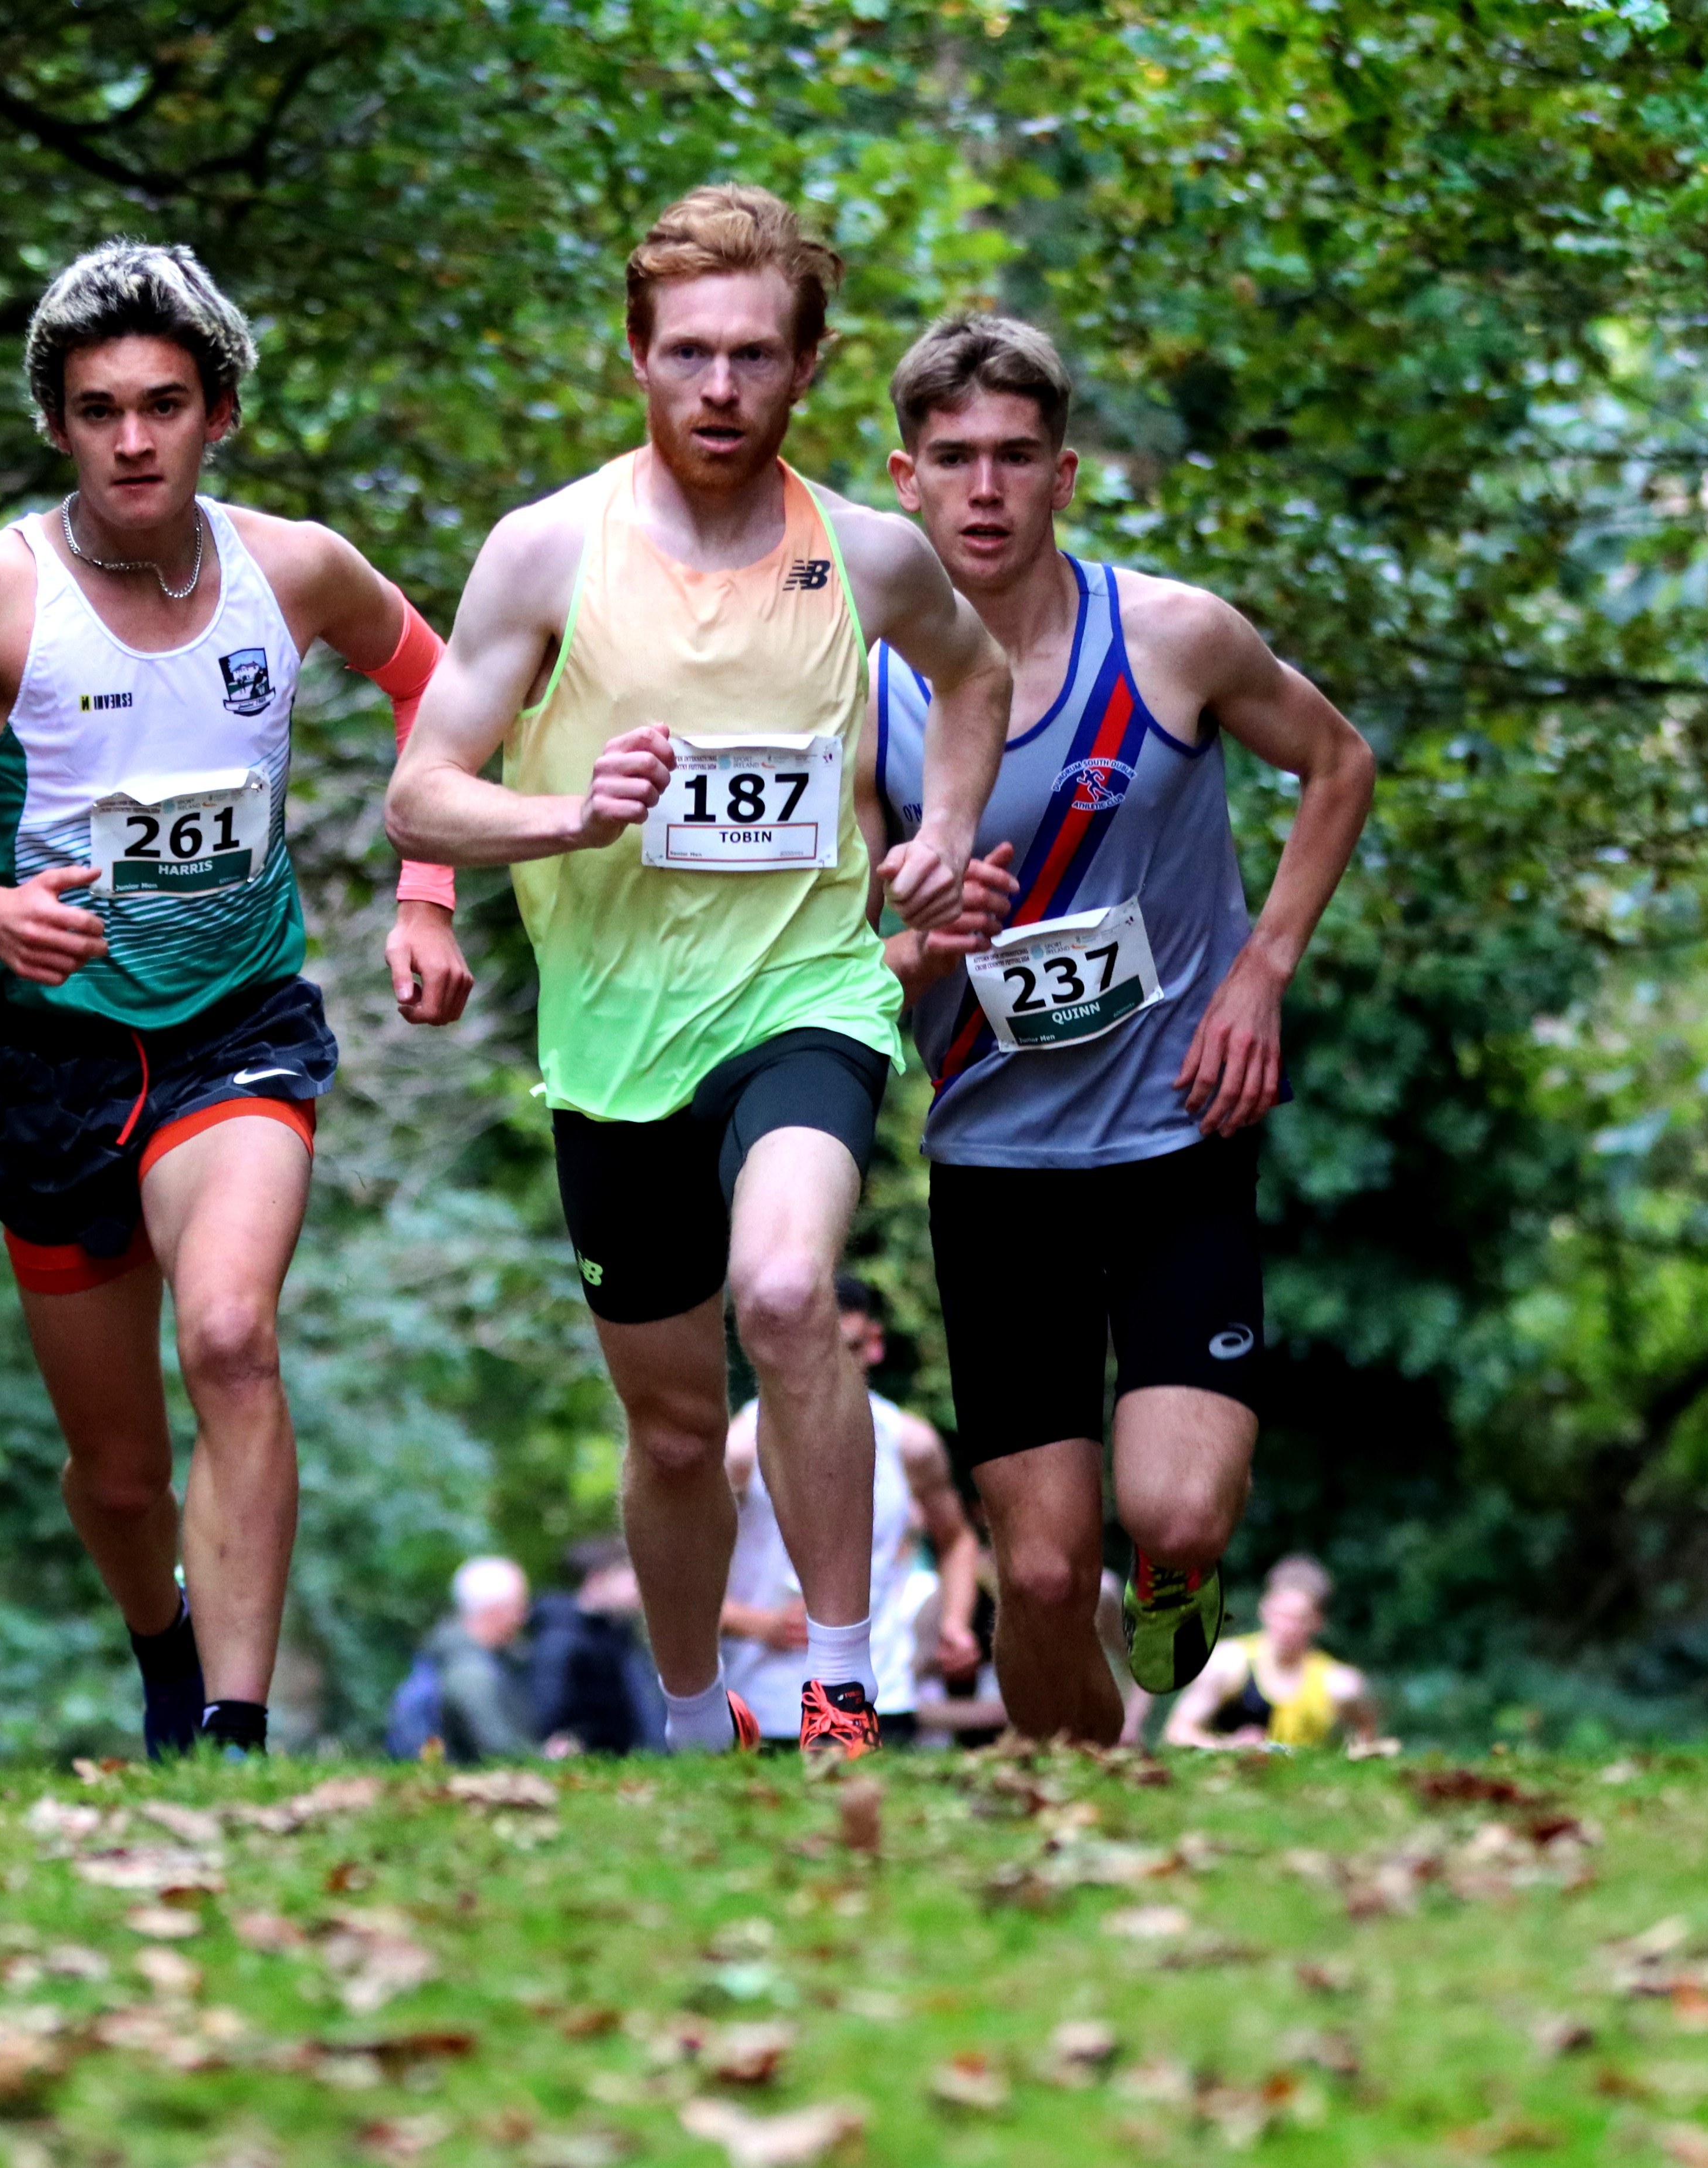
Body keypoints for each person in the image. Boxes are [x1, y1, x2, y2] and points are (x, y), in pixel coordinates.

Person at [386, 185, 1014, 1769]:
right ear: (637, 358)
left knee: (790, 1294)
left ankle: (841, 1687)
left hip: (806, 993)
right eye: (687, 354)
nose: (719, 388)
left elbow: (976, 674)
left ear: (807, 366)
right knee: (674, 1431)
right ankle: (688, 1718)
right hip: (614, 1040)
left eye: (752, 355)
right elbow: (421, 794)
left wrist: (943, 829)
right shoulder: (546, 553)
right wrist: (568, 814)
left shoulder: (867, 554)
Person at [0, 242, 473, 1759]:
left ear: (219, 412)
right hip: (52, 1065)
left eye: (164, 405)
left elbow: (440, 689)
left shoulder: (295, 569)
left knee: (232, 1336)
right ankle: (165, 1648)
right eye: (99, 409)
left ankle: (235, 1737)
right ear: (57, 423)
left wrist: (427, 890)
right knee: (116, 1474)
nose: (132, 440)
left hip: (235, 1034)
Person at [869, 313, 1378, 1748]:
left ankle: (1178, 1586)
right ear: (906, 480)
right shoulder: (867, 689)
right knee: (1038, 1572)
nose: (985, 489)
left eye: (1015, 456)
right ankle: (1077, 1797)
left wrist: (1261, 969)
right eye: (954, 459)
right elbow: (830, 965)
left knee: (1179, 1515)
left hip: (1177, 1137)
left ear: (1064, 473)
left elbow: (1339, 762)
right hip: (996, 1166)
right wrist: (921, 941)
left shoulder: (1171, 635)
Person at [715, 1276, 983, 1744]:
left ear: (874, 1343)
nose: (833, 1369)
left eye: (850, 1348)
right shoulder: (739, 1448)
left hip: (882, 1696)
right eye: (818, 1352)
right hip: (767, 1703)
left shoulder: (909, 1442)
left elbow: (957, 1538)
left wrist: (955, 1623)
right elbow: (674, 1578)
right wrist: (759, 1624)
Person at [1164, 1555, 1384, 1753]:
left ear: (1318, 1622)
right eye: (1280, 1614)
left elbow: (1367, 1737)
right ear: (1264, 1608)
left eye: (1298, 1619)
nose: (1286, 1627)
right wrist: (1229, 1747)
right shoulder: (1229, 1663)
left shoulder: (1339, 1685)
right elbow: (1176, 1733)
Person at [393, 1555, 543, 1764]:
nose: (524, 1616)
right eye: (519, 1607)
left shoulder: (450, 1654)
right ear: (495, 1610)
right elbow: (500, 1751)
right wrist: (547, 1758)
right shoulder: (471, 1672)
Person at [526, 1538, 667, 1755]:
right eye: (633, 1577)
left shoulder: (618, 1636)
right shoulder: (562, 1643)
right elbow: (547, 1719)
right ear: (597, 1579)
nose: (642, 1588)